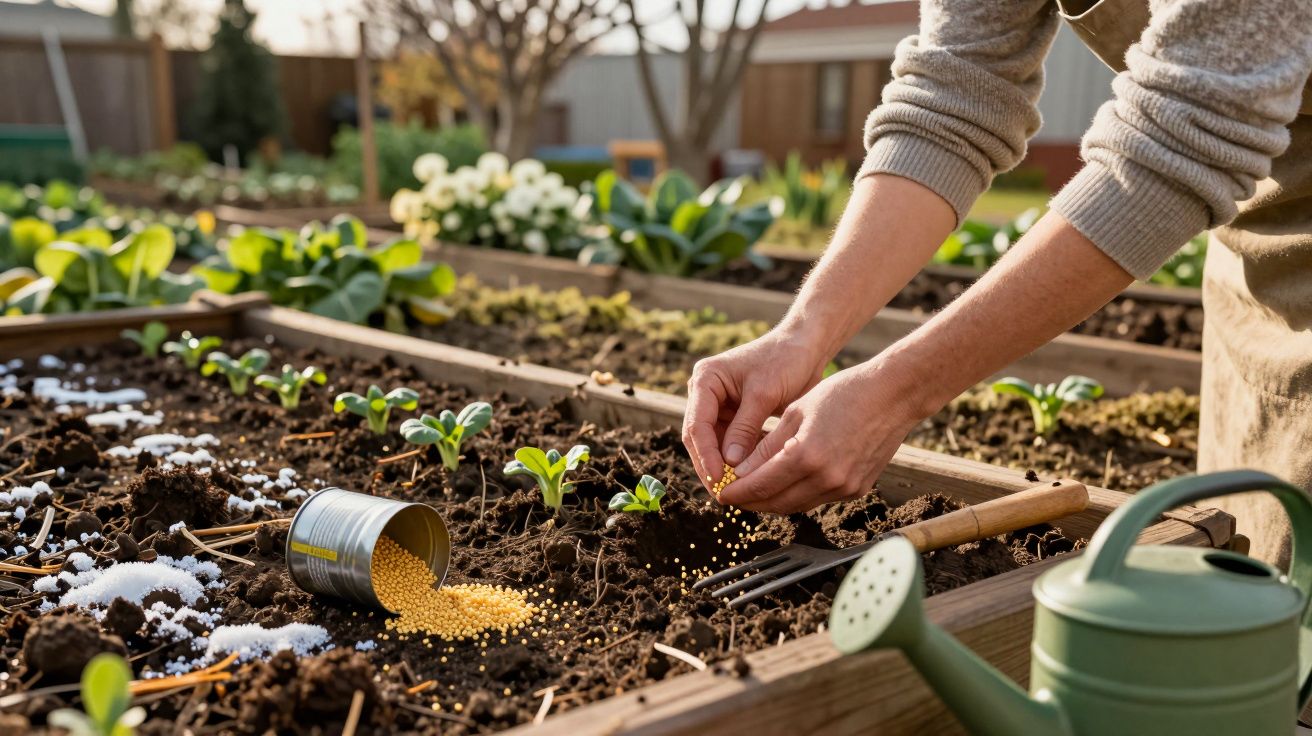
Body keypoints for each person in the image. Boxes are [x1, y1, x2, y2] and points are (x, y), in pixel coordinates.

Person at [682, 0, 1312, 566]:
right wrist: (803, 335)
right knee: (1249, 566)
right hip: (1255, 221)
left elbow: (1182, 136)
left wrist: (895, 394)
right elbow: (955, 92)